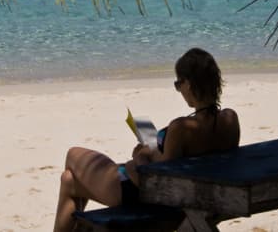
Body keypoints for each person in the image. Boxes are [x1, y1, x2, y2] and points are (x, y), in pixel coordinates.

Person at [53, 48, 240, 232]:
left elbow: (160, 183)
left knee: (73, 154)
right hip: (194, 196)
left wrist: (139, 158)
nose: (179, 90)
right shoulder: (230, 120)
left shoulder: (182, 128)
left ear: (189, 84)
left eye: (178, 84)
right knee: (68, 180)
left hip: (137, 192)